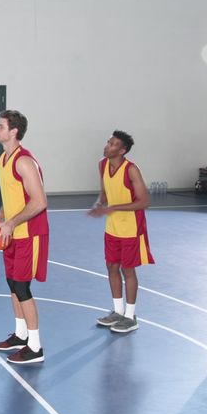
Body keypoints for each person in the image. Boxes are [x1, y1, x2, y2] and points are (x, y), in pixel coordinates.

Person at [0, 110, 49, 364]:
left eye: (0, 126)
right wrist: (0, 217)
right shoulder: (4, 159)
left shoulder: (24, 161)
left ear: (13, 131)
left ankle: (35, 348)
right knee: (13, 284)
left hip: (29, 233)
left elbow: (39, 202)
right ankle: (21, 335)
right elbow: (12, 196)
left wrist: (12, 223)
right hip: (12, 232)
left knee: (23, 287)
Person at [88, 130, 154, 334]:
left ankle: (130, 316)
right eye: (108, 142)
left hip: (131, 227)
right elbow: (106, 191)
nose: (107, 146)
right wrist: (100, 203)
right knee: (111, 266)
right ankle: (117, 311)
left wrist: (113, 208)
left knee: (128, 269)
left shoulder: (131, 170)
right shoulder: (103, 164)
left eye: (113, 144)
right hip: (113, 227)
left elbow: (144, 202)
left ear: (122, 150)